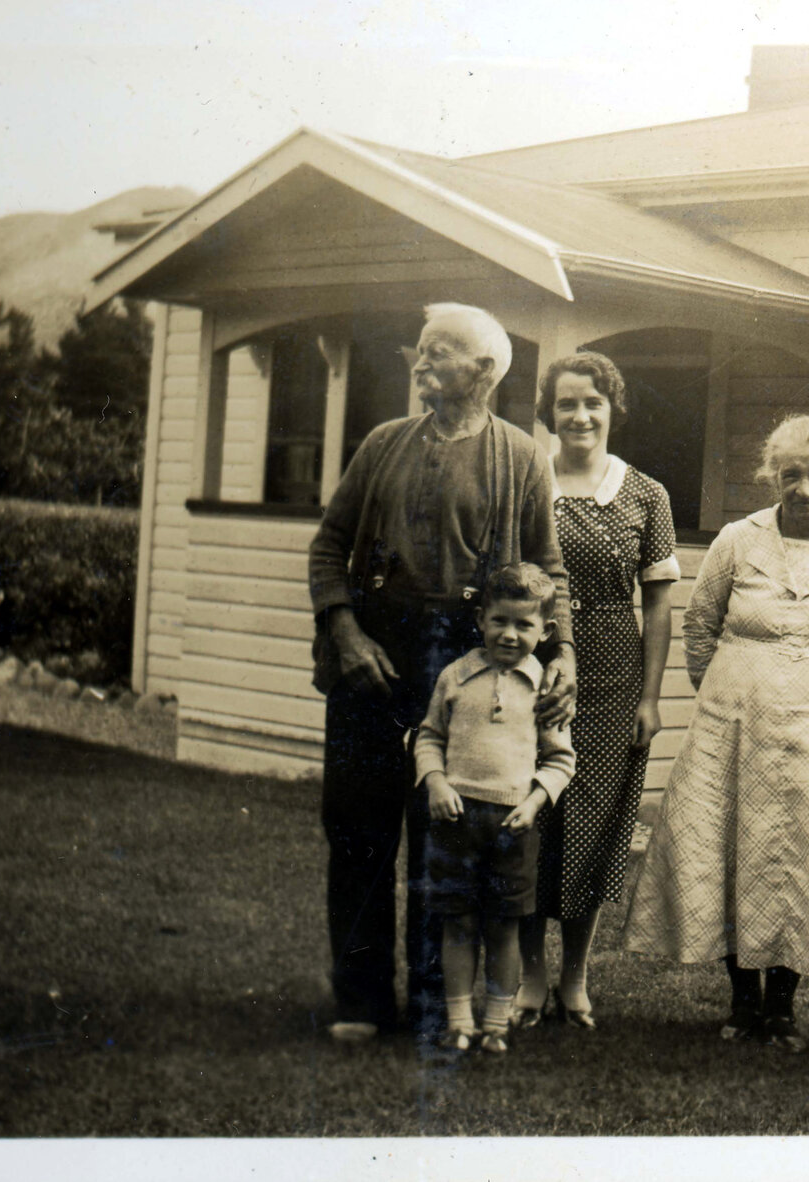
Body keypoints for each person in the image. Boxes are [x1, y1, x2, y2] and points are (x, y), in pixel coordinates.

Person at [308, 302, 577, 1043]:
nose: (418, 363)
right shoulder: (382, 443)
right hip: (373, 656)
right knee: (360, 829)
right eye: (418, 350)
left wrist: (563, 654)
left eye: (438, 352)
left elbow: (546, 566)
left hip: (462, 658)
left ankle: (438, 1005)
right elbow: (329, 547)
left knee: (447, 829)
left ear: (484, 371)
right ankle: (361, 1000)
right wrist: (345, 627)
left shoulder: (521, 456)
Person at [624, 414, 809, 1052]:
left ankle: (782, 1007)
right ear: (772, 476)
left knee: (804, 855)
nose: (804, 487)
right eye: (790, 474)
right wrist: (734, 690)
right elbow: (700, 628)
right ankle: (743, 1002)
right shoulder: (737, 542)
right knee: (728, 849)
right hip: (734, 727)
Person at [513, 352, 679, 1031]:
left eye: (592, 404)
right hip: (530, 664)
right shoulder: (526, 485)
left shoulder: (645, 494)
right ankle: (528, 977)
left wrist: (648, 697)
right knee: (525, 818)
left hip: (613, 675)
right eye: (565, 405)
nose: (579, 416)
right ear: (547, 414)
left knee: (589, 823)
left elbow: (661, 605)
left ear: (612, 410)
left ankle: (575, 977)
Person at [415, 563, 577, 1054]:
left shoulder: (543, 688)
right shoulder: (456, 676)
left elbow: (561, 760)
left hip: (513, 826)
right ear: (481, 619)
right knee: (458, 923)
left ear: (545, 631)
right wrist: (437, 782)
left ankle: (497, 1024)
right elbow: (428, 736)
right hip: (456, 822)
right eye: (500, 621)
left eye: (524, 625)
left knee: (505, 927)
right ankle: (460, 1021)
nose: (510, 635)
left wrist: (533, 803)